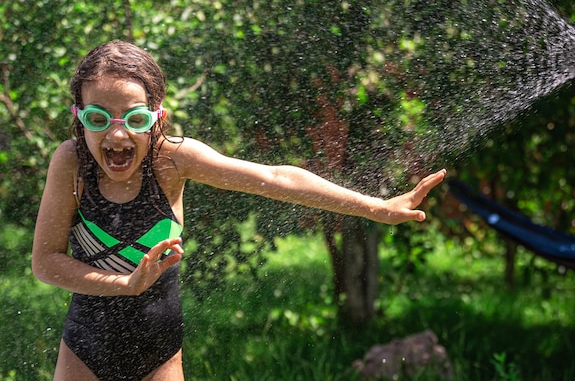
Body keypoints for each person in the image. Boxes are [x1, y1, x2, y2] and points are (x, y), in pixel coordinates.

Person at [32, 40, 447, 381]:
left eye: (135, 118)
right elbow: (45, 263)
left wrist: (376, 207)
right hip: (85, 347)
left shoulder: (172, 161)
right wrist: (124, 285)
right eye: (99, 117)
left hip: (158, 350)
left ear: (158, 118)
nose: (117, 133)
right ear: (79, 117)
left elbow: (277, 178)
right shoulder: (71, 163)